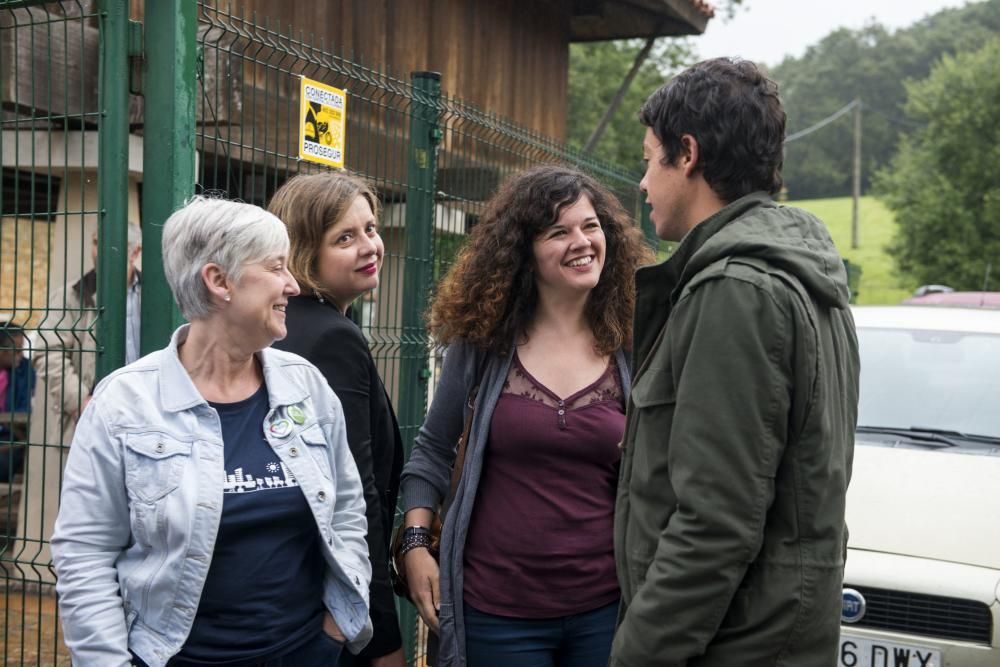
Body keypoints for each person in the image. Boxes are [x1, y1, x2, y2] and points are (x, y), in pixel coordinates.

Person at [611, 57, 860, 666]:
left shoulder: (737, 290)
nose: (642, 183)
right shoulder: (800, 275)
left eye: (649, 159)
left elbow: (714, 524)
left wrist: (638, 654)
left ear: (687, 154)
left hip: (732, 647)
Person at [50, 196, 372, 666]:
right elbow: (84, 556)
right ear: (219, 281)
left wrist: (332, 634)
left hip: (306, 652)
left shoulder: (305, 386)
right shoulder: (124, 406)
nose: (292, 285)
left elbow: (346, 508)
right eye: (276, 267)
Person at [399, 166, 652, 667]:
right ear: (524, 253)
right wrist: (414, 545)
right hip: (496, 613)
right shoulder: (482, 342)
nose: (581, 242)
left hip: (606, 607)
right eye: (559, 232)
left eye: (590, 225)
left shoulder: (635, 341)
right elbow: (431, 450)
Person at [268, 172, 405, 667]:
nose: (369, 246)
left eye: (370, 228)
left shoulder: (284, 325)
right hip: (330, 611)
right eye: (344, 238)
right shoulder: (332, 338)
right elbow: (355, 496)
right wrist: (383, 638)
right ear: (304, 253)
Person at [15, 223, 142, 582]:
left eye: (107, 245)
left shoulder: (155, 293)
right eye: (95, 244)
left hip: (146, 416)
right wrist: (80, 402)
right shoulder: (73, 295)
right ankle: (93, 585)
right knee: (94, 512)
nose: (97, 253)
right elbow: (46, 350)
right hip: (95, 418)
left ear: (134, 253)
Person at [0, 323, 35, 482]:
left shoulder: (26, 370)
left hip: (10, 438)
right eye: (17, 351)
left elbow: (25, 407)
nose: (21, 355)